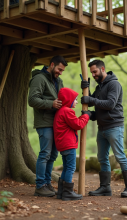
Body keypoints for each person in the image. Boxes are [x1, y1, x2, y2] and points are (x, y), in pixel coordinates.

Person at [80, 59, 127, 198]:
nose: (93, 74)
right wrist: (84, 90)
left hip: (114, 126)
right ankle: (105, 188)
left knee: (120, 157)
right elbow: (91, 102)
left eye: (95, 71)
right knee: (102, 158)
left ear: (102, 69)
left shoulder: (114, 84)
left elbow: (110, 104)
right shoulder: (99, 87)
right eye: (91, 72)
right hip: (102, 128)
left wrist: (90, 100)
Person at [28, 55, 68, 197]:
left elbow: (61, 99)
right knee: (45, 153)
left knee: (53, 155)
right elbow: (32, 99)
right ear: (51, 65)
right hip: (44, 122)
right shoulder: (39, 78)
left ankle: (47, 182)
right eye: (59, 69)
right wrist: (50, 104)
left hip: (57, 123)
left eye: (62, 70)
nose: (60, 72)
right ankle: (40, 186)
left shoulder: (59, 81)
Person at [53, 88, 91, 201]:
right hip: (69, 144)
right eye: (75, 99)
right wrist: (86, 116)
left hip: (63, 145)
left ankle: (62, 192)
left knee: (66, 167)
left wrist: (82, 117)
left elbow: (73, 123)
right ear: (68, 99)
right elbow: (78, 125)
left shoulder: (60, 111)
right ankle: (68, 192)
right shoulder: (67, 111)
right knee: (71, 167)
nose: (77, 102)